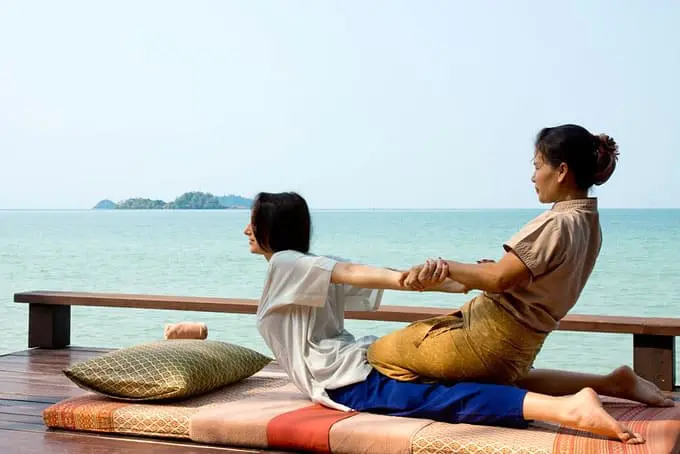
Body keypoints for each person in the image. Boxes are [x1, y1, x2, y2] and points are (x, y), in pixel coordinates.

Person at [247, 190, 671, 444]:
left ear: (270, 229)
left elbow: (355, 272)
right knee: (491, 380)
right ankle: (609, 384)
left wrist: (419, 278)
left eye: (251, 223)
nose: (246, 231)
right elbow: (355, 274)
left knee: (448, 400)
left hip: (348, 379)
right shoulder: (302, 268)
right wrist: (448, 280)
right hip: (355, 362)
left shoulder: (286, 263)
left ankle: (569, 410)